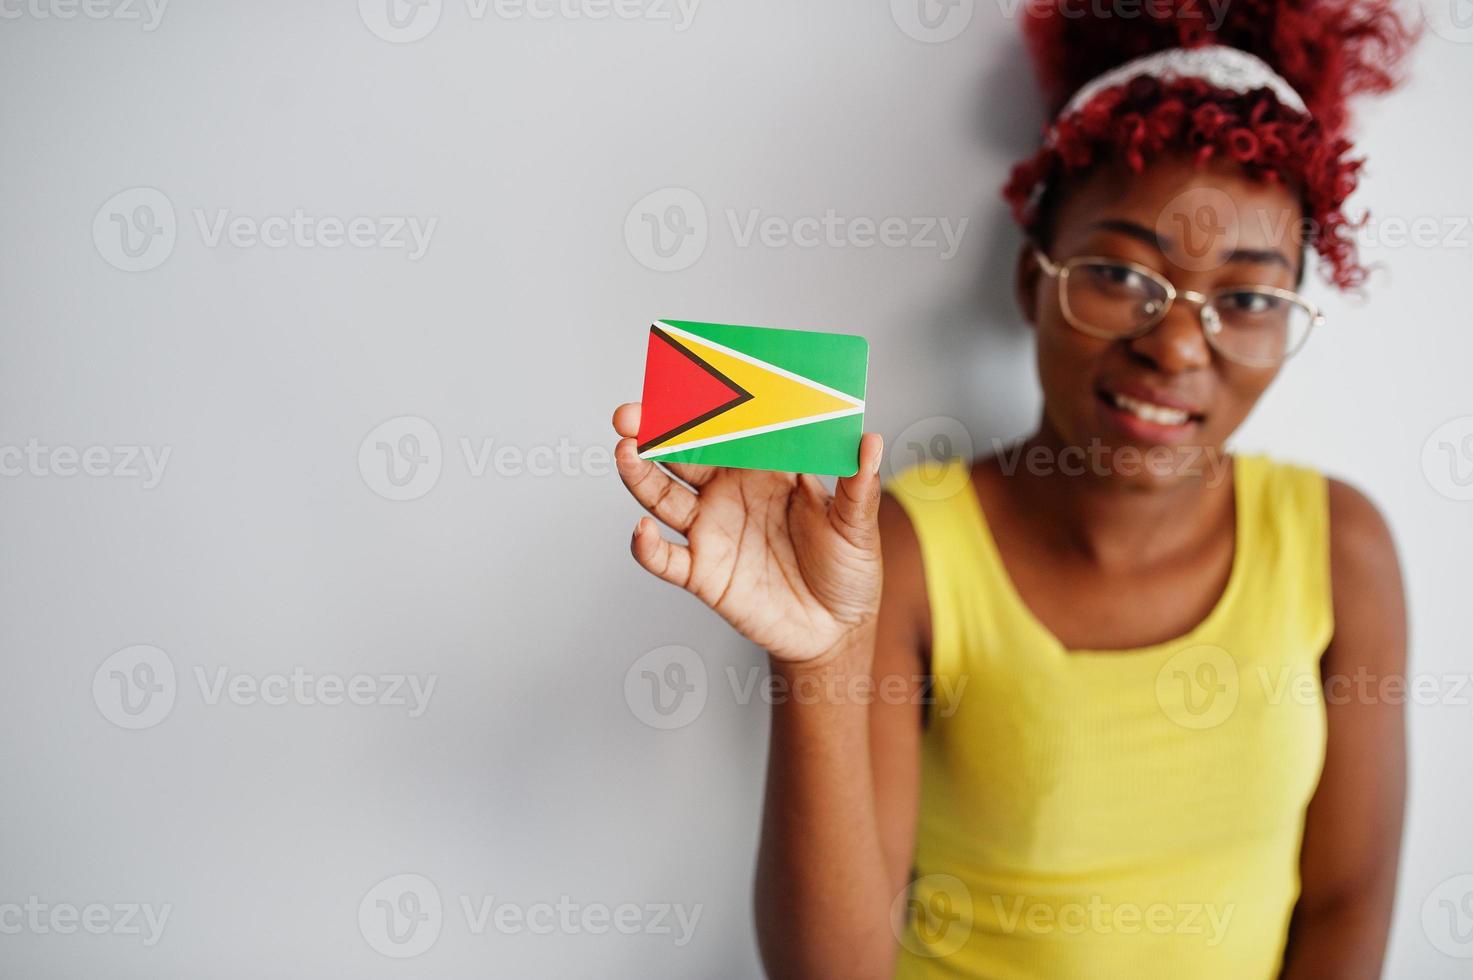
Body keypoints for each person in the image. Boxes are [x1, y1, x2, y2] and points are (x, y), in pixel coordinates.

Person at [612, 1, 1416, 976]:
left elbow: (1343, 906)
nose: (1172, 344)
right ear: (1033, 282)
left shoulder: (1342, 545)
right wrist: (819, 659)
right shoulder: (900, 546)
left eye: (1246, 298)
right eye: (1120, 273)